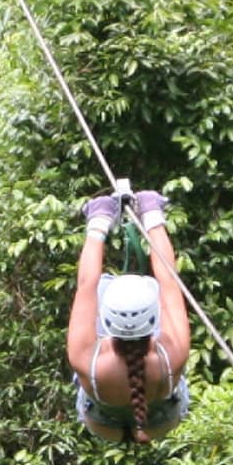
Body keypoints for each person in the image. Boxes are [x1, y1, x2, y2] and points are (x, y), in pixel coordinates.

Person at [68, 188, 192, 443]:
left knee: (101, 286)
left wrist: (98, 222)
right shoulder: (173, 354)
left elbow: (86, 284)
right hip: (160, 421)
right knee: (155, 288)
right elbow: (168, 280)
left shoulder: (85, 358)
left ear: (109, 322)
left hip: (103, 424)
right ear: (150, 322)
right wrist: (152, 215)